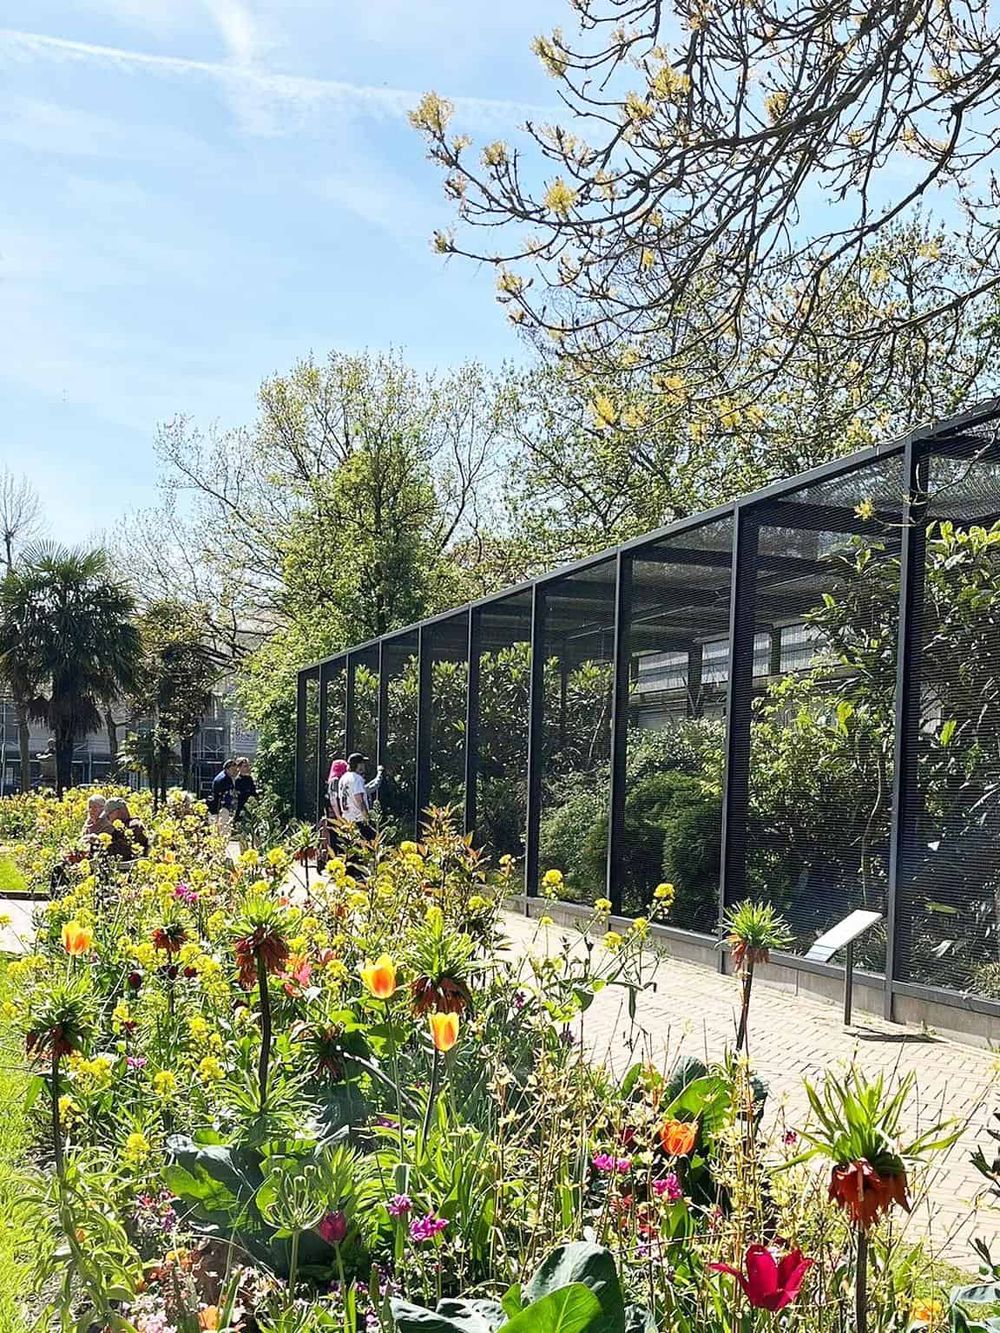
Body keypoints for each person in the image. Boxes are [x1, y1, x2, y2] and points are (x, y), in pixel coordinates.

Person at [337, 753, 383, 840]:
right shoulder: (357, 779)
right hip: (358, 819)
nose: (364, 766)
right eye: (362, 763)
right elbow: (360, 801)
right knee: (375, 841)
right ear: (358, 765)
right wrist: (367, 818)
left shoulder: (343, 778)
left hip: (347, 819)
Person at [210, 759, 238, 836]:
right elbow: (219, 795)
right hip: (221, 807)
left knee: (222, 829)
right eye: (232, 769)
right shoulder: (223, 779)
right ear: (227, 769)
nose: (235, 771)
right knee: (222, 829)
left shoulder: (228, 777)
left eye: (235, 769)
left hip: (224, 807)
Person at [233, 757, 257, 825]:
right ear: (239, 768)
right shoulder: (238, 779)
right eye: (245, 766)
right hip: (242, 805)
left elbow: (253, 791)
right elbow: (240, 792)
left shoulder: (249, 778)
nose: (247, 768)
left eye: (248, 766)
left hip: (251, 806)